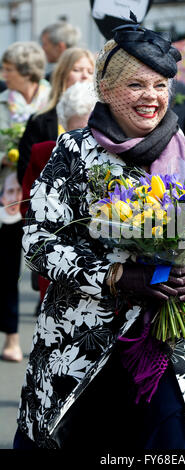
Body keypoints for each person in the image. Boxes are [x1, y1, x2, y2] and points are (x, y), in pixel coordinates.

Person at [13, 21, 185, 450]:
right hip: (85, 345)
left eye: (160, 85)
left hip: (179, 348)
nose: (151, 97)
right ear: (106, 87)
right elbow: (38, 242)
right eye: (136, 84)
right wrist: (114, 277)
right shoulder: (75, 153)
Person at [21, 80, 97, 301]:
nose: (83, 140)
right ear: (64, 126)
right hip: (59, 265)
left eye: (90, 131)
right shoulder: (45, 153)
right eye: (77, 131)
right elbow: (26, 207)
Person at [0, 41, 50, 362]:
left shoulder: (51, 100)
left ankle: (48, 336)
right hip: (6, 197)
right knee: (6, 270)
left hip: (45, 198)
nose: (3, 74)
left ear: (26, 73)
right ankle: (12, 337)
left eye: (8, 69)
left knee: (46, 268)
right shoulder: (2, 103)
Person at [17, 47, 95, 186]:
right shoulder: (40, 120)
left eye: (90, 72)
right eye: (77, 70)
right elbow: (25, 172)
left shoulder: (107, 118)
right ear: (62, 75)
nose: (84, 76)